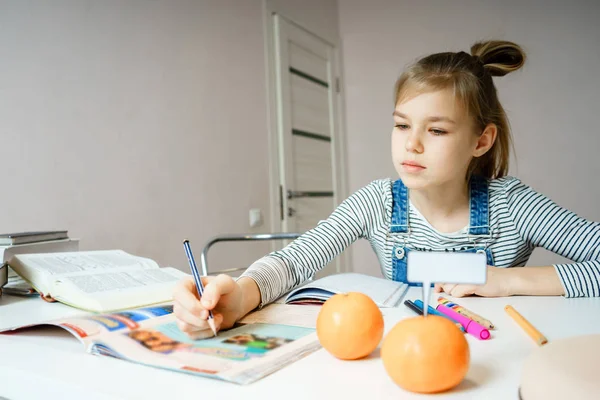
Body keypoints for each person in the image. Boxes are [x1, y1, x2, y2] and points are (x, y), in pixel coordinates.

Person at [173, 40, 600, 339]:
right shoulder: (377, 202)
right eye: (401, 125)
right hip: (403, 361)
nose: (411, 144)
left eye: (435, 129)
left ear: (481, 141)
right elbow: (296, 260)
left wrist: (506, 281)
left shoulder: (512, 205)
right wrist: (242, 294)